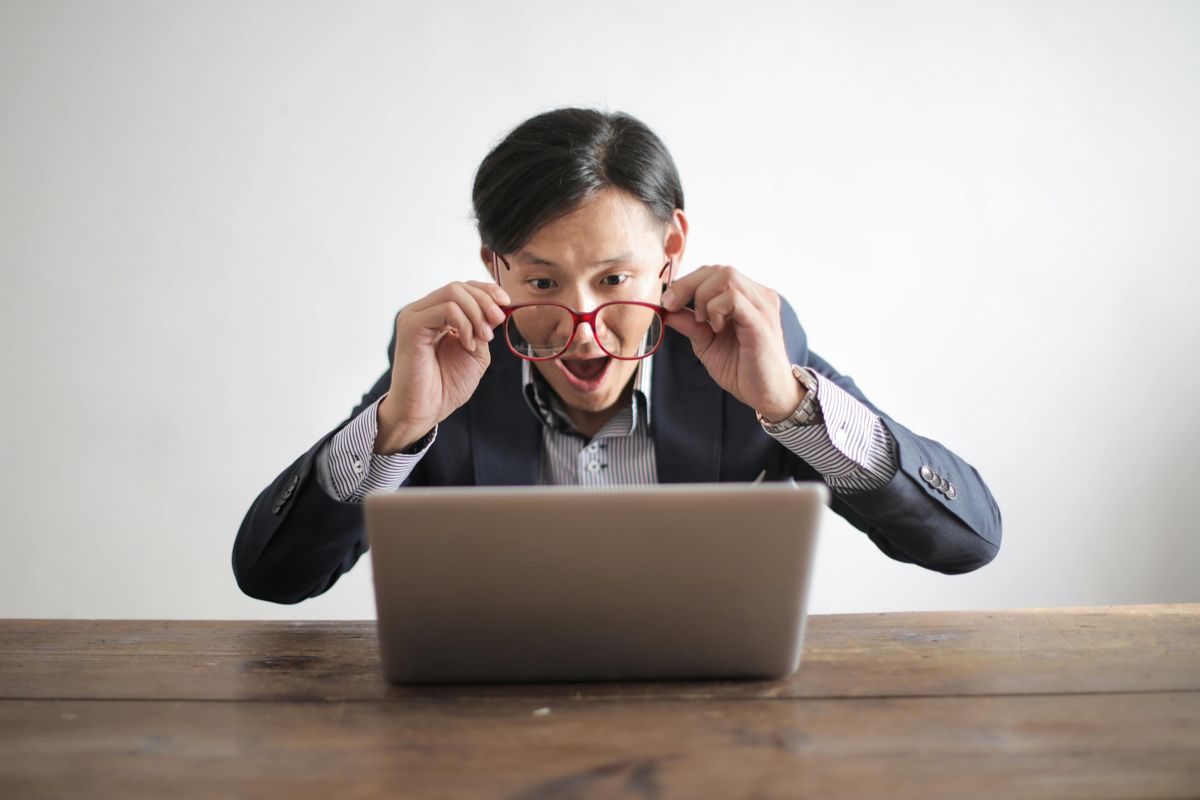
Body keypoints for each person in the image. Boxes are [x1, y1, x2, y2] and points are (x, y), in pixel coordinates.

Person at [233, 107, 1002, 605]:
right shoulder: (451, 366)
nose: (582, 324)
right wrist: (397, 427)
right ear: (494, 267)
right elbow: (273, 577)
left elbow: (966, 542)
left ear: (670, 253)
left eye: (613, 279)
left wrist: (791, 408)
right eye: (541, 281)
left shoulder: (749, 349)